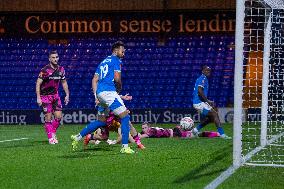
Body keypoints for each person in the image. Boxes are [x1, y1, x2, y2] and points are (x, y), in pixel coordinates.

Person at [71, 41, 135, 154]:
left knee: (101, 121)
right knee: (125, 117)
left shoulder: (103, 62)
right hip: (109, 92)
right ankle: (125, 147)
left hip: (100, 93)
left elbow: (94, 79)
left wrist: (96, 96)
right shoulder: (116, 60)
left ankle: (78, 137)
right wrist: (119, 87)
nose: (124, 53)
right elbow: (117, 78)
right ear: (116, 50)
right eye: (122, 51)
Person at [36, 50, 70, 144]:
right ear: (49, 59)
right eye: (53, 57)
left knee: (58, 117)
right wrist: (38, 97)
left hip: (55, 96)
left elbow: (64, 82)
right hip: (45, 96)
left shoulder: (61, 69)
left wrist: (67, 94)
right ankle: (51, 137)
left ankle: (51, 131)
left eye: (57, 57)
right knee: (48, 117)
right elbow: (38, 83)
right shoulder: (45, 70)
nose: (55, 59)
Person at [192, 65, 231, 139]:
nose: (208, 72)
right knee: (214, 114)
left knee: (210, 118)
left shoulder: (203, 78)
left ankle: (195, 130)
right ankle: (222, 134)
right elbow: (199, 90)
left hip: (200, 102)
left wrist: (207, 101)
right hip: (198, 102)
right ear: (202, 71)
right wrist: (207, 101)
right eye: (206, 70)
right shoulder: (203, 78)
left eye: (209, 70)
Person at [140, 122, 220, 139]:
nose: (144, 130)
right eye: (143, 128)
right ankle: (216, 133)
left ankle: (216, 134)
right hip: (174, 130)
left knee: (197, 134)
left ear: (149, 127)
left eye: (145, 128)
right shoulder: (150, 130)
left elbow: (140, 137)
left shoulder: (151, 131)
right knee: (196, 133)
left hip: (176, 134)